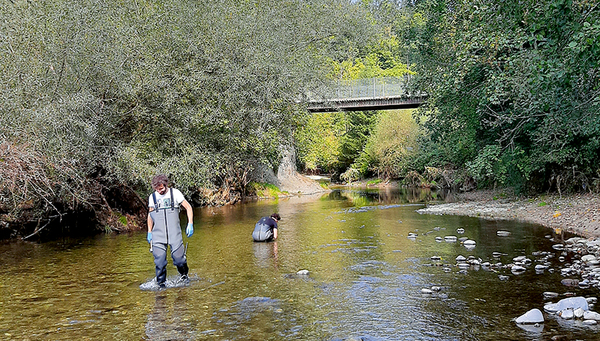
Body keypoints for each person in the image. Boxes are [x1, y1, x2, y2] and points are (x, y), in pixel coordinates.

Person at [147, 174, 194, 288]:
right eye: (157, 189)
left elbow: (188, 207)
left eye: (162, 188)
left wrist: (190, 223)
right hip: (158, 235)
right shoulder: (152, 197)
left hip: (175, 234)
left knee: (179, 260)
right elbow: (150, 215)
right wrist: (149, 231)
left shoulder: (175, 193)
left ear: (166, 184)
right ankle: (161, 286)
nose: (160, 191)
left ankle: (184, 276)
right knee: (160, 262)